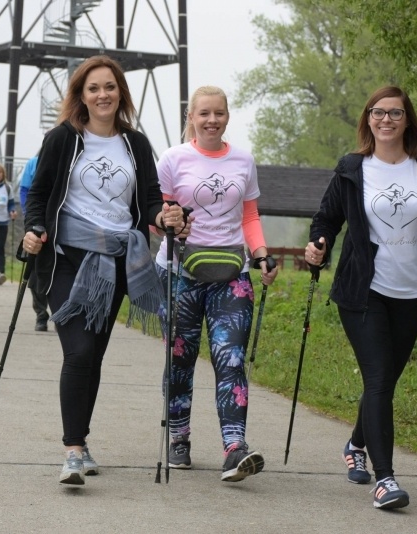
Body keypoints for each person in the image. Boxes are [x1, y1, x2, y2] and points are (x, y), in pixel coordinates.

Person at [306, 86, 417, 509]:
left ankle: (355, 444)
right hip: (362, 291)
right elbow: (326, 219)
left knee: (383, 381)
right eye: (378, 112)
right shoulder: (353, 168)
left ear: (407, 120)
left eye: (395, 113)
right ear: (368, 118)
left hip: (412, 290)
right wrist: (318, 245)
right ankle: (385, 481)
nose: (386, 120)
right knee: (380, 378)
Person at [22, 55, 187, 486]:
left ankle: (81, 438)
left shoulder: (135, 144)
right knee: (78, 351)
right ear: (81, 94)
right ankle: (72, 451)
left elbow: (149, 198)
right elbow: (38, 194)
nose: (102, 95)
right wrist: (34, 228)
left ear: (120, 93)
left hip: (117, 261)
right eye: (93, 88)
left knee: (92, 355)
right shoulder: (62, 139)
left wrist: (164, 215)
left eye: (109, 87)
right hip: (67, 258)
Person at [154, 85, 278, 483]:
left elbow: (250, 215)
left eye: (219, 113)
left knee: (231, 358)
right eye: (204, 113)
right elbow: (157, 217)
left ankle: (234, 447)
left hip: (231, 275)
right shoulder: (173, 159)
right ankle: (179, 437)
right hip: (180, 274)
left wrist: (261, 255)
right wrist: (169, 223)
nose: (212, 120)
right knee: (180, 359)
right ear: (191, 117)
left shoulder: (243, 160)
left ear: (227, 116)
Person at [18, 154, 50, 331]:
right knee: (35, 268)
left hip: (63, 222)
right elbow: (24, 190)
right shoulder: (33, 163)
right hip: (38, 221)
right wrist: (29, 216)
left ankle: (61, 313)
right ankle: (41, 313)